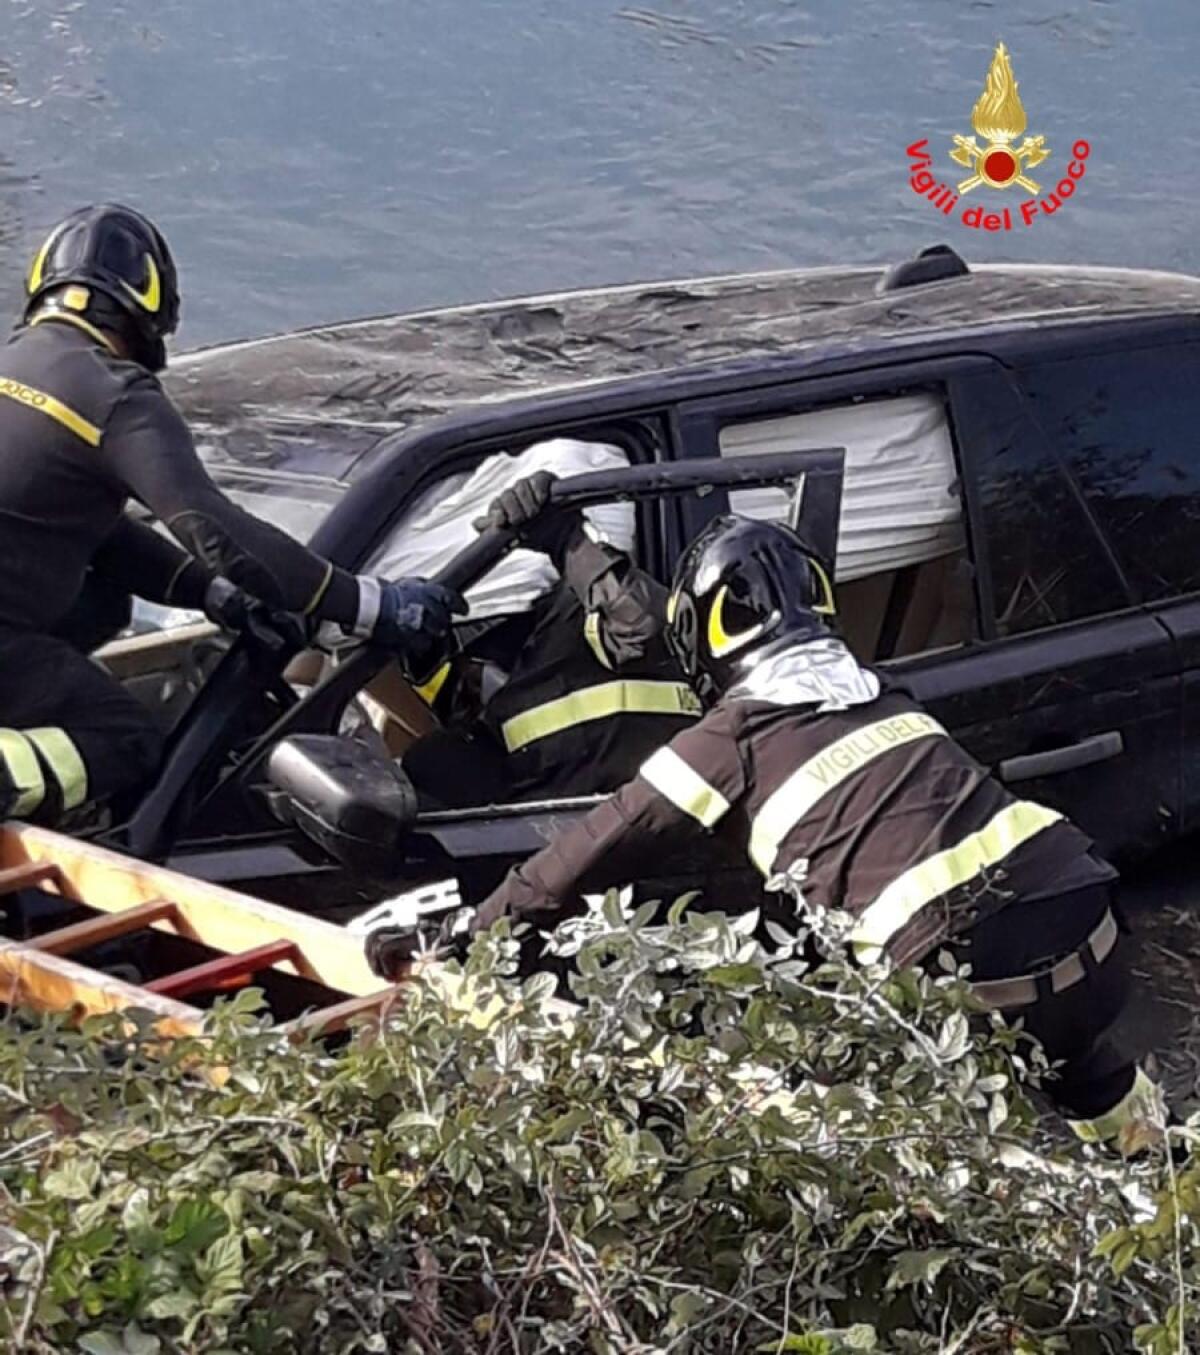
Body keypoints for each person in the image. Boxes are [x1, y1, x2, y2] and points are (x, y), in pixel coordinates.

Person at [370, 514, 1159, 1146]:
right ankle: (1168, 1188)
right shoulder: (887, 695)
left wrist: (463, 937)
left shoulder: (732, 739)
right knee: (1087, 1072)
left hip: (965, 985)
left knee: (857, 1144)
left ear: (709, 638)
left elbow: (575, 863)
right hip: (1094, 935)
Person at [0, 203, 463, 824]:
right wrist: (373, 604)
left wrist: (213, 595)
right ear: (150, 311)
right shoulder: (115, 396)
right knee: (125, 739)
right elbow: (216, 531)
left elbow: (97, 533)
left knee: (105, 602)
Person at [400, 469, 699, 806]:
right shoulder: (509, 646)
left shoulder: (588, 611)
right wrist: (421, 654)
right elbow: (472, 699)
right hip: (539, 829)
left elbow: (641, 626)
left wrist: (569, 542)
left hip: (622, 831)